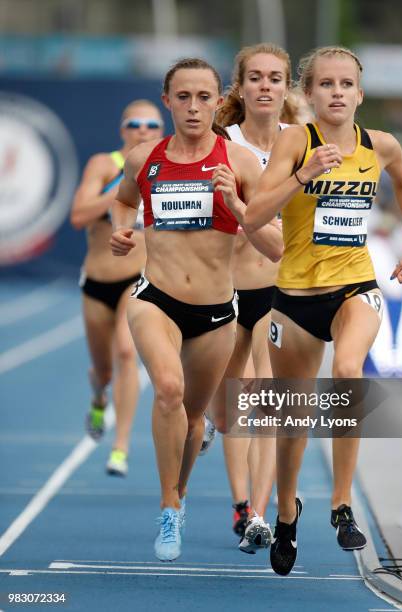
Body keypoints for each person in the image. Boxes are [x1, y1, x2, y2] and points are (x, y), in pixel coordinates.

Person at [244, 46, 402, 576]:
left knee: (348, 373)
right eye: (326, 84)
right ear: (310, 94)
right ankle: (286, 515)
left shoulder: (381, 145)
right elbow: (254, 216)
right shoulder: (294, 140)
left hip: (355, 287)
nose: (338, 92)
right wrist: (304, 175)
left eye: (347, 84)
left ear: (360, 94)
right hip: (295, 298)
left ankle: (342, 507)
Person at [110, 58, 283, 562]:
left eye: (203, 97)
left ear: (218, 100)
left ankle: (179, 494)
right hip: (155, 299)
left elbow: (275, 248)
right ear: (167, 101)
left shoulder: (242, 163)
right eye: (182, 97)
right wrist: (123, 230)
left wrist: (240, 205)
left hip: (214, 312)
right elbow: (124, 203)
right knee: (167, 389)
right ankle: (168, 506)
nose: (193, 107)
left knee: (193, 420)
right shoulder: (144, 159)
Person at [208, 43, 298, 555]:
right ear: (239, 88)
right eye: (256, 78)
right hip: (227, 287)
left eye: (276, 78)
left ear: (287, 88)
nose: (266, 86)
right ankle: (243, 501)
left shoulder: (301, 142)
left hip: (284, 286)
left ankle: (258, 512)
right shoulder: (222, 144)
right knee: (231, 409)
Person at [70, 100, 164, 476]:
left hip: (136, 278)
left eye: (151, 124)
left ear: (161, 130)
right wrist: (122, 187)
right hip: (96, 281)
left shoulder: (165, 169)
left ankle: (119, 448)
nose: (143, 130)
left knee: (128, 353)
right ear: (122, 130)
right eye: (134, 123)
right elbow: (78, 216)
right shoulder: (103, 164)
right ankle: (98, 397)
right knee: (104, 370)